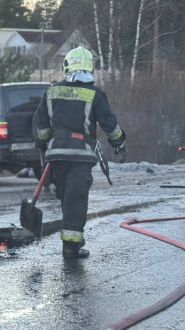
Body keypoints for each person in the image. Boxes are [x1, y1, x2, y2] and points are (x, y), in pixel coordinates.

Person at [34, 47, 127, 259]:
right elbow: (110, 125)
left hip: (56, 154)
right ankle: (71, 247)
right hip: (81, 155)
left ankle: (70, 242)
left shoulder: (52, 91)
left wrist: (43, 144)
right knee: (75, 199)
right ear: (90, 68)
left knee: (65, 196)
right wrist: (120, 143)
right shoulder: (95, 93)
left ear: (67, 65)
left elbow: (41, 127)